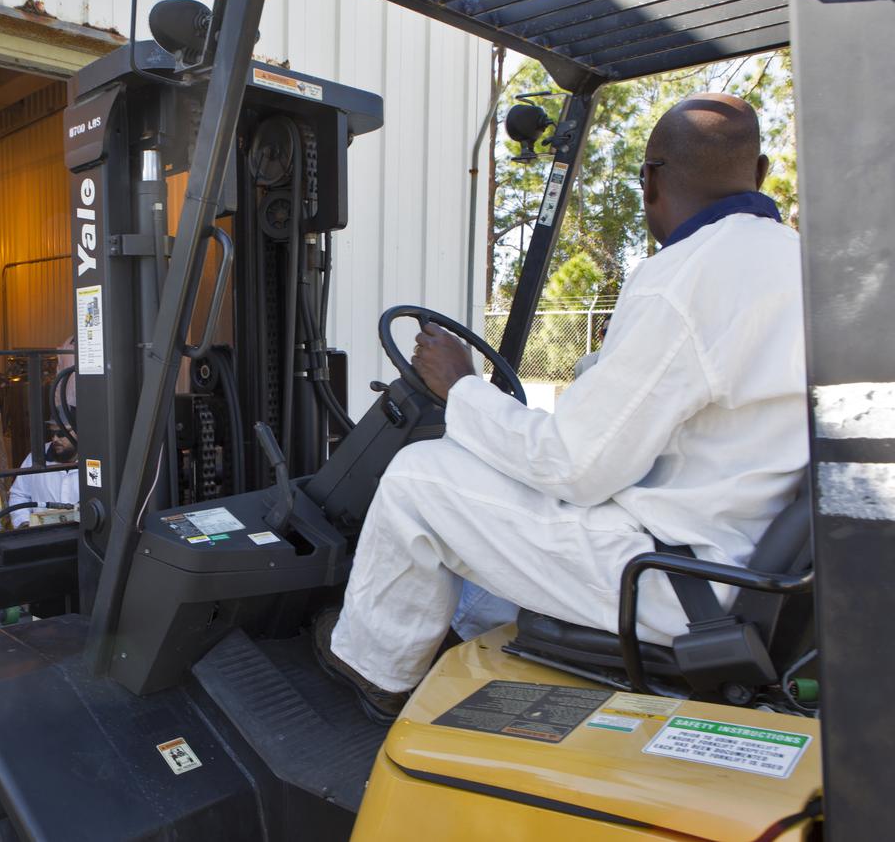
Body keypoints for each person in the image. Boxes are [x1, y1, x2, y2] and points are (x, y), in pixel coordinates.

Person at [316, 93, 807, 719]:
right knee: (495, 492)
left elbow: (575, 467)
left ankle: (373, 669)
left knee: (419, 477)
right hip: (740, 558)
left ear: (650, 178)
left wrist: (459, 387)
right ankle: (453, 637)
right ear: (760, 173)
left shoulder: (684, 279)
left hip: (673, 579)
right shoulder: (802, 266)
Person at [8, 426, 80, 527]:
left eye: (61, 433)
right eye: (52, 433)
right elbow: (19, 495)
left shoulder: (96, 458)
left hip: (85, 535)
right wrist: (24, 523)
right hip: (44, 535)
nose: (55, 439)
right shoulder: (36, 457)